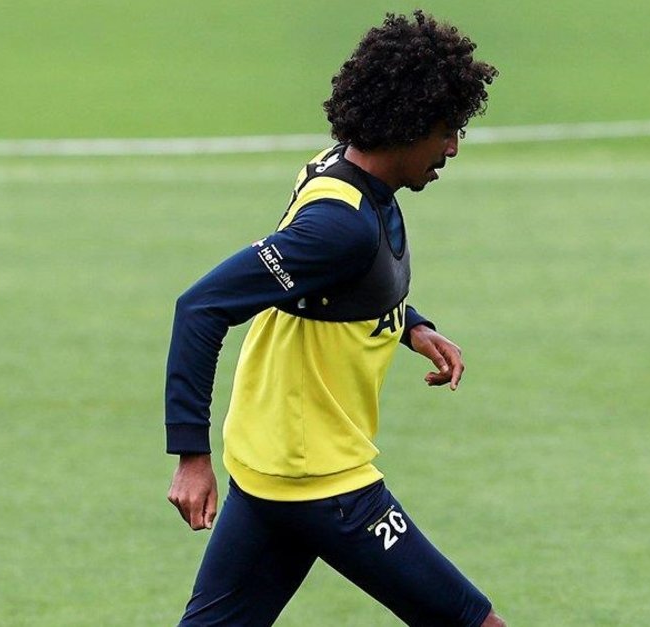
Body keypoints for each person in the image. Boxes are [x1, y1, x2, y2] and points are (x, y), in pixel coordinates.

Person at [162, 11, 503, 627]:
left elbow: (337, 286)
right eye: (446, 131)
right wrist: (191, 456)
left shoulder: (340, 172)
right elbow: (201, 307)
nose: (452, 148)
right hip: (321, 479)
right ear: (406, 124)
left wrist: (412, 327)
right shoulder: (337, 226)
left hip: (272, 463)